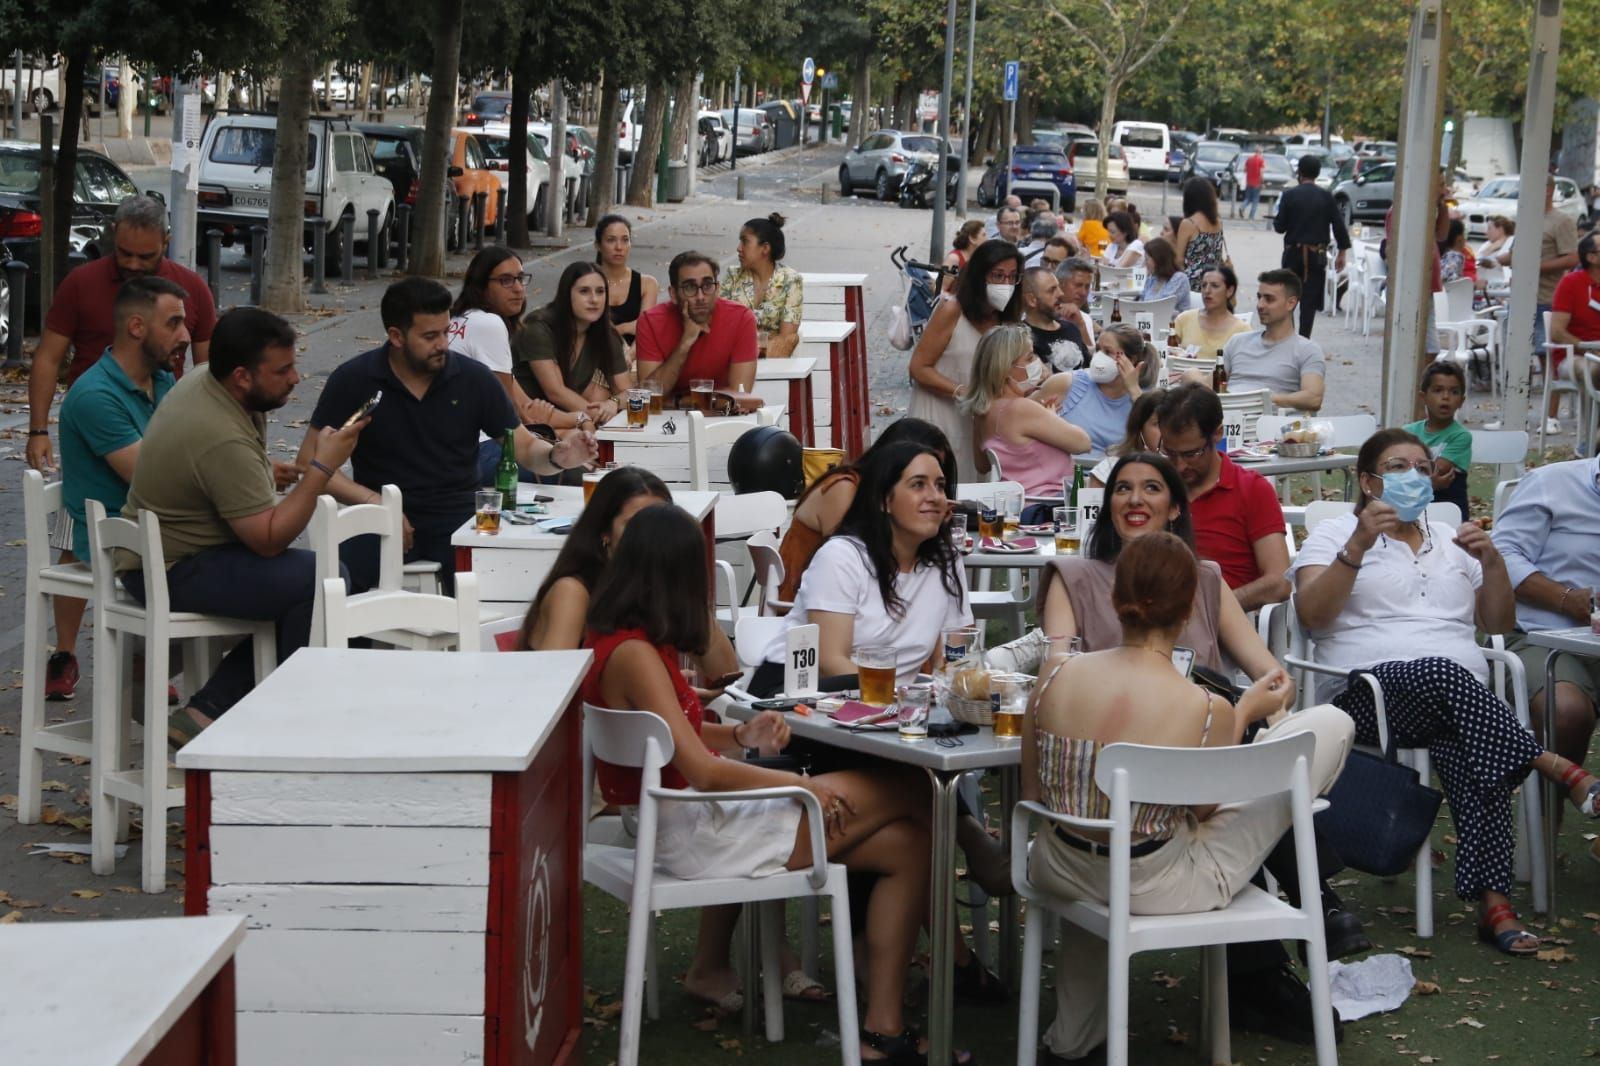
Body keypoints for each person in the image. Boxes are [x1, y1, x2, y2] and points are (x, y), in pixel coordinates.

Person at [580, 504, 960, 1063]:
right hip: (695, 830)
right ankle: (961, 930)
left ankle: (881, 1030)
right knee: (919, 787)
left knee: (910, 843)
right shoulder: (636, 654)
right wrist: (802, 790)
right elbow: (703, 772)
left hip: (680, 819)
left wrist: (742, 734)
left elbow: (674, 737)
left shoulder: (625, 641)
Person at [1038, 451, 1366, 1045]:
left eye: (1151, 489)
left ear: (1115, 605)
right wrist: (1239, 718)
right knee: (1315, 738)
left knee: (1119, 823)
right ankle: (1303, 918)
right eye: (1123, 488)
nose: (1135, 500)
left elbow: (1035, 780)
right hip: (1153, 876)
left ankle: (1073, 1039)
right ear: (1192, 604)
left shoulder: (1057, 674)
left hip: (1055, 856)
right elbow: (1205, 813)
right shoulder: (1204, 706)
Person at [1292, 428, 1600, 956]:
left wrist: (1494, 564)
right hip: (1365, 694)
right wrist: (1359, 546)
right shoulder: (1335, 534)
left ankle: (1494, 904)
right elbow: (1313, 615)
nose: (1413, 476)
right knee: (1442, 672)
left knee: (1470, 738)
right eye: (1397, 466)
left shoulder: (1452, 543)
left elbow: (1497, 625)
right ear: (1368, 482)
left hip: (1459, 704)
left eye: (1420, 465)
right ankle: (1556, 766)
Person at [118, 308, 365, 739]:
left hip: (172, 550)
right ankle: (282, 725)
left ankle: (212, 713)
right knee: (325, 581)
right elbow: (267, 540)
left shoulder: (207, 381)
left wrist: (259, 469)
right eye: (283, 370)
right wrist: (323, 467)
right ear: (242, 377)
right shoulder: (219, 434)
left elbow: (208, 469)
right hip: (169, 568)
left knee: (315, 591)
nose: (296, 378)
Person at [299, 278, 597, 593]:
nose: (443, 344)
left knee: (514, 584)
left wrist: (557, 456)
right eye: (430, 336)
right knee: (332, 585)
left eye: (446, 332)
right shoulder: (355, 380)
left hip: (459, 517)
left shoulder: (473, 378)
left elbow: (522, 447)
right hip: (380, 516)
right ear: (396, 336)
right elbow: (309, 462)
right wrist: (378, 504)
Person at [47, 277, 185, 699]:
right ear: (137, 328)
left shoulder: (162, 382)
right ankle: (143, 669)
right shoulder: (94, 394)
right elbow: (154, 477)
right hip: (119, 542)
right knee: (242, 583)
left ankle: (146, 668)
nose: (185, 336)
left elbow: (187, 451)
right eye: (174, 323)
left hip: (156, 531)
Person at [26, 195, 217, 472]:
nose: (133, 264)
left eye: (145, 257)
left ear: (166, 241)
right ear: (114, 233)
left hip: (163, 421)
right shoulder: (81, 283)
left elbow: (207, 371)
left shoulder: (192, 288)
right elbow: (48, 358)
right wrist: (38, 431)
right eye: (124, 253)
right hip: (96, 421)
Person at [1492, 452, 1600, 792]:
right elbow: (1501, 555)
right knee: (1565, 711)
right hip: (1540, 637)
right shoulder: (1553, 483)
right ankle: (1543, 831)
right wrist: (1566, 599)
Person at [775, 419, 956, 604]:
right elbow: (852, 565)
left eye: (938, 481)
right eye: (919, 482)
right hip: (804, 606)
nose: (932, 494)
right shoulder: (845, 488)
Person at [449, 248, 579, 486]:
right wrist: (571, 426)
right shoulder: (489, 325)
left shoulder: (462, 319)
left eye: (520, 278)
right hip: (477, 450)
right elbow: (512, 413)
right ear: (481, 286)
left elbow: (523, 405)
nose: (518, 288)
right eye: (505, 281)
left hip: (461, 447)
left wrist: (577, 420)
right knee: (581, 470)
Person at [1154, 384, 1290, 609]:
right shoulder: (1155, 486)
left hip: (1223, 622)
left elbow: (1279, 582)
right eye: (1170, 453)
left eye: (1191, 454)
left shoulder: (1251, 489)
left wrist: (1212, 609)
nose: (1179, 466)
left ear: (1217, 434)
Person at [519, 466, 676, 651]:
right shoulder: (571, 592)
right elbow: (554, 677)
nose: (648, 535)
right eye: (634, 524)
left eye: (660, 524)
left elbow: (718, 667)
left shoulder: (657, 580)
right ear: (605, 530)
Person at [907, 239, 1023, 481]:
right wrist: (964, 392)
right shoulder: (951, 310)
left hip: (979, 426)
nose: (1006, 284)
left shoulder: (1007, 321)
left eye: (1012, 277)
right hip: (939, 417)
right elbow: (919, 368)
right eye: (998, 276)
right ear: (980, 276)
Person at [962, 324, 1090, 498]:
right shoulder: (1020, 409)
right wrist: (1052, 418)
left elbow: (982, 465)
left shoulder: (982, 411)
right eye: (1030, 358)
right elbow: (1083, 443)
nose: (1036, 362)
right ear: (1006, 368)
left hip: (1018, 505)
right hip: (1048, 504)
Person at [514, 261, 634, 425]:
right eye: (584, 291)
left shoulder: (604, 333)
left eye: (600, 292)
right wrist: (595, 415)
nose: (594, 299)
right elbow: (556, 392)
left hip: (571, 420)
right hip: (526, 420)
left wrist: (612, 403)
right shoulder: (538, 328)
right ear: (566, 294)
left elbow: (627, 391)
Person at [635, 251, 758, 396]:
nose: (700, 297)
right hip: (665, 416)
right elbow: (648, 394)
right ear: (673, 294)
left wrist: (685, 402)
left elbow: (740, 395)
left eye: (707, 285)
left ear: (717, 289)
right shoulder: (650, 322)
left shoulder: (741, 318)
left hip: (722, 415)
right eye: (690, 287)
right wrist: (685, 343)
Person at [1035, 322, 1152, 457]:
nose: (1099, 358)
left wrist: (1134, 391)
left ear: (1132, 359)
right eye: (1097, 350)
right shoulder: (1065, 383)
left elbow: (1155, 447)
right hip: (1068, 474)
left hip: (1113, 475)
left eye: (1108, 352)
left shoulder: (1142, 399)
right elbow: (1018, 414)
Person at [1221, 270, 1327, 412]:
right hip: (1226, 422)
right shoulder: (1237, 341)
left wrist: (1264, 399)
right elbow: (1212, 383)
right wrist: (1191, 375)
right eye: (1259, 297)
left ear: (1291, 303)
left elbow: (1313, 398)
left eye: (1269, 299)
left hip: (1271, 427)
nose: (1260, 305)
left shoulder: (1307, 350)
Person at [1273, 154, 1350, 338]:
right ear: (1317, 173)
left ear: (1299, 172)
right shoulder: (1326, 197)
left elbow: (1279, 227)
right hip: (1317, 255)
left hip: (1293, 254)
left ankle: (1288, 336)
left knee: (1289, 297)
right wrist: (1342, 252)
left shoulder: (1289, 195)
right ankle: (1304, 338)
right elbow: (1339, 226)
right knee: (1309, 300)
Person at [720, 213, 804, 358]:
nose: (738, 248)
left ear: (765, 248)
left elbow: (786, 339)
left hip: (773, 360)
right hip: (733, 359)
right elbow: (721, 325)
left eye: (745, 242)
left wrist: (746, 346)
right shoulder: (733, 276)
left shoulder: (790, 280)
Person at [1535, 176, 1581, 432]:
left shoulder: (1561, 220)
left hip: (1547, 297)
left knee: (1548, 359)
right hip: (1521, 299)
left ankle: (1551, 416)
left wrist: (1537, 266)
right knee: (1519, 356)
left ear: (1549, 189)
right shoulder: (1527, 217)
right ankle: (1513, 413)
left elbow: (1572, 257)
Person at [1403, 361, 1472, 522]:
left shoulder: (1460, 436)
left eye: (1454, 392)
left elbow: (1437, 470)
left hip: (1448, 512)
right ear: (1423, 397)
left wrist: (1408, 472)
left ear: (1461, 401)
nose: (1446, 397)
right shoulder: (1407, 432)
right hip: (1411, 509)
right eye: (1438, 390)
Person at [593, 214, 659, 351]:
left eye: (625, 240)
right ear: (598, 245)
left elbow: (645, 332)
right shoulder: (588, 283)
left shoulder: (647, 284)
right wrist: (625, 328)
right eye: (611, 240)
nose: (619, 247)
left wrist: (629, 357)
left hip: (636, 358)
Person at [1085, 389, 1165, 488]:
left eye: (1173, 423)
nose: (1166, 430)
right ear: (1139, 427)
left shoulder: (1183, 468)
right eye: (1157, 424)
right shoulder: (1110, 467)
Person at [1171, 265, 1251, 359]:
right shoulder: (1184, 319)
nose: (1207, 291)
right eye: (1204, 285)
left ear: (1229, 291)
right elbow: (1169, 353)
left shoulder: (1242, 330)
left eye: (1215, 286)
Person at [1021, 266, 1086, 372]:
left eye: (1059, 287)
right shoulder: (1021, 339)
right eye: (1052, 290)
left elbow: (1089, 367)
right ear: (1031, 300)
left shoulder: (1071, 328)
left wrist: (1081, 324)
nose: (1061, 294)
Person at [1175, 177, 1227, 287]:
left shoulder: (1189, 223)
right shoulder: (1218, 222)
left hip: (1193, 283)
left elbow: (1179, 260)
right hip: (1215, 282)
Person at [1137, 237, 1191, 311]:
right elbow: (1141, 299)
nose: (1145, 263)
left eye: (1147, 259)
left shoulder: (1179, 278)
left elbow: (1163, 305)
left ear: (1158, 259)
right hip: (1152, 320)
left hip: (1173, 321)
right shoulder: (1152, 279)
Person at [1055, 257, 1098, 351]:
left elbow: (1091, 360)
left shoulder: (1084, 318)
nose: (1083, 292)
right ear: (1060, 284)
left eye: (1087, 287)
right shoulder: (1042, 315)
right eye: (1078, 285)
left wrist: (1081, 325)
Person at [942, 219, 986, 293]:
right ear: (972, 239)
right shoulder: (954, 259)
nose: (987, 239)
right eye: (983, 235)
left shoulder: (979, 257)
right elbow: (941, 288)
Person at [1439, 217, 1477, 285]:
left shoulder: (1444, 254)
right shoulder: (1455, 256)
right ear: (1459, 239)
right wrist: (1473, 285)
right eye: (1464, 234)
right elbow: (1448, 277)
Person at [1242, 145, 1266, 221]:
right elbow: (1261, 172)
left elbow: (1244, 170)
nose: (1262, 154)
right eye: (1262, 152)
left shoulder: (1249, 159)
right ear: (1260, 152)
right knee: (1255, 200)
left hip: (1248, 182)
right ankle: (1251, 216)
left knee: (1248, 198)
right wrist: (1262, 182)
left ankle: (1242, 207)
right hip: (1257, 183)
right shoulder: (1261, 160)